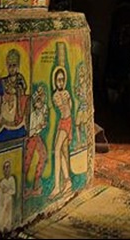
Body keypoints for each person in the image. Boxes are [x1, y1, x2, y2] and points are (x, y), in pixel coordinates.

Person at [0, 48, 28, 144]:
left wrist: (15, 91)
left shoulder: (20, 78)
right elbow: (1, 92)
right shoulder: (4, 80)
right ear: (7, 66)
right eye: (10, 66)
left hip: (16, 110)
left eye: (14, 65)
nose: (12, 68)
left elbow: (23, 88)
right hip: (6, 112)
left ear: (18, 66)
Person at [50, 66, 73, 198]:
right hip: (62, 122)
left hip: (66, 122)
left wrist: (65, 99)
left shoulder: (66, 94)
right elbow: (60, 106)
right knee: (61, 152)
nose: (61, 82)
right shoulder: (56, 95)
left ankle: (57, 187)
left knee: (57, 149)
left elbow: (68, 108)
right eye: (58, 80)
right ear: (55, 81)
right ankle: (67, 181)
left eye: (62, 80)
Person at [24, 85, 48, 197]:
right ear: (35, 103)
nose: (40, 103)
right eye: (38, 101)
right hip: (31, 138)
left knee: (43, 156)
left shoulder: (41, 112)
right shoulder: (32, 115)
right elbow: (29, 131)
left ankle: (36, 183)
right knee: (27, 162)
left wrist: (42, 126)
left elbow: (43, 122)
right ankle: (24, 186)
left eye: (41, 101)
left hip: (36, 137)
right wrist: (38, 127)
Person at [0, 160, 16, 237]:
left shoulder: (12, 179)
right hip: (3, 202)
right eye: (5, 167)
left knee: (8, 217)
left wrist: (7, 191)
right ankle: (0, 232)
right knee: (1, 217)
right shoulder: (2, 181)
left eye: (8, 167)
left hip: (9, 201)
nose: (7, 169)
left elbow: (13, 190)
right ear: (3, 170)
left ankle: (7, 232)